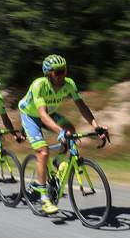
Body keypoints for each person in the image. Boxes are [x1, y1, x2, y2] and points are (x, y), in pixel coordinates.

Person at [18, 54, 108, 215]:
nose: (62, 75)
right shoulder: (39, 85)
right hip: (31, 115)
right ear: (48, 74)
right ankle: (44, 198)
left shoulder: (69, 84)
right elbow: (42, 114)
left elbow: (82, 105)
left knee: (71, 130)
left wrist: (96, 126)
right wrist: (60, 132)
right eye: (57, 72)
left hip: (49, 113)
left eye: (64, 71)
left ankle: (58, 160)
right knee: (43, 151)